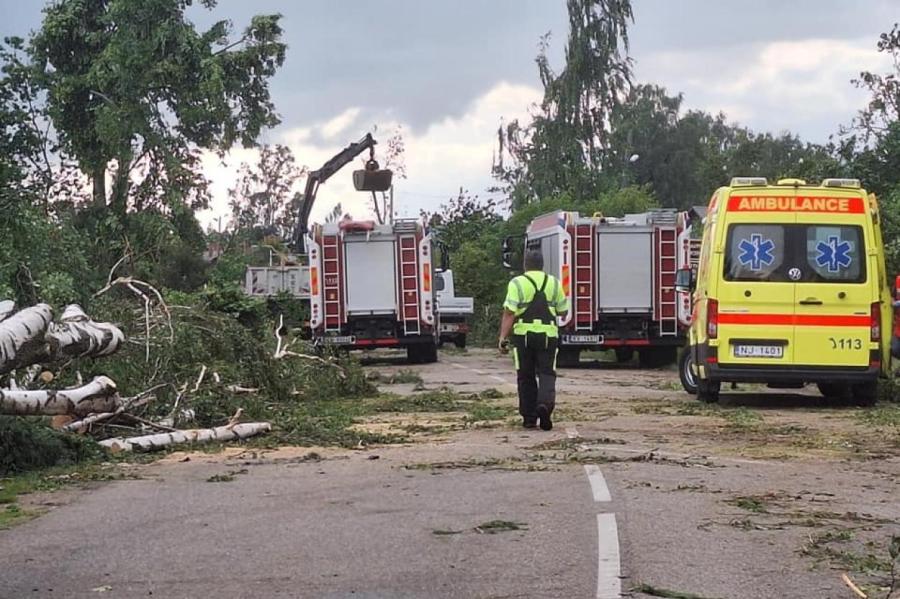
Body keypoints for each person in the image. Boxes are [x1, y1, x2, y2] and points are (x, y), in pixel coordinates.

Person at [498, 249, 569, 430]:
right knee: (546, 374)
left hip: (523, 336)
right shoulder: (554, 283)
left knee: (525, 376)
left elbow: (509, 312)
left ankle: (529, 418)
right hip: (548, 336)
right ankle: (544, 405)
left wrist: (502, 337)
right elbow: (563, 311)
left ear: (525, 264)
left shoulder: (517, 283)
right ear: (542, 264)